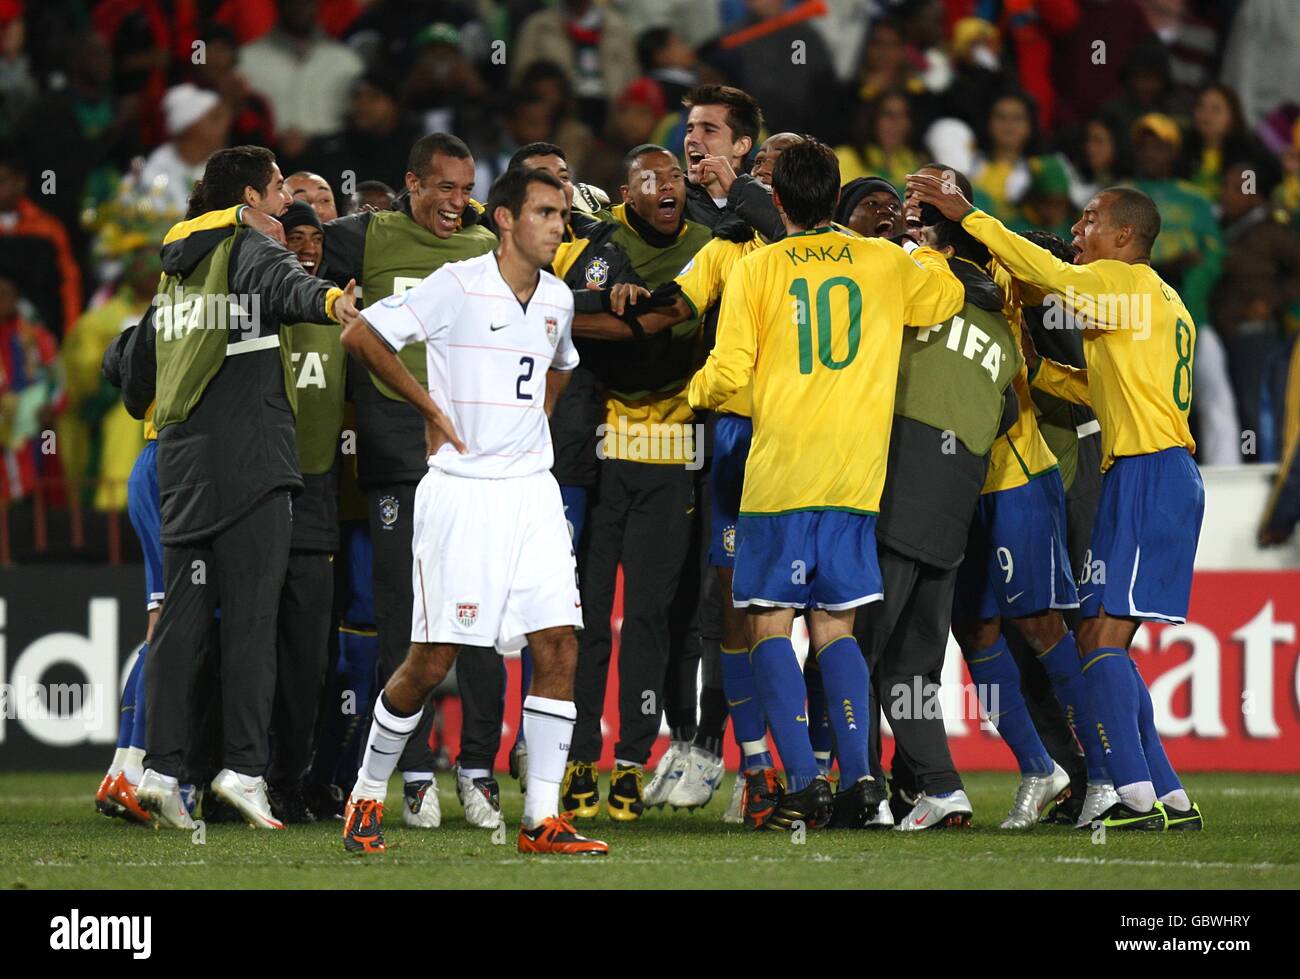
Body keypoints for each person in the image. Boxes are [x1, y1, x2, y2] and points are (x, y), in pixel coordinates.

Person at [909, 172, 1206, 831]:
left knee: (1099, 643)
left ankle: (1130, 796)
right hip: (1150, 473)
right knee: (1103, 642)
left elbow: (1053, 277)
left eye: (1091, 220)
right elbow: (1085, 382)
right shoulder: (1162, 301)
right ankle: (1171, 796)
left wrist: (972, 215)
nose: (1078, 230)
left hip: (1149, 473)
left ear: (1125, 236)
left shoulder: (1123, 283)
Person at [687, 138, 963, 830]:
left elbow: (725, 374)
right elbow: (948, 293)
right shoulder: (882, 262)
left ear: (776, 199)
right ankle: (862, 779)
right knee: (836, 626)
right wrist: (920, 245)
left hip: (780, 475)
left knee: (769, 623)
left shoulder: (758, 269)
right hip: (854, 478)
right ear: (835, 193)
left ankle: (804, 783)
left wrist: (691, 391)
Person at [337, 166, 608, 856]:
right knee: (430, 660)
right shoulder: (457, 283)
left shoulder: (557, 297)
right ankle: (367, 793)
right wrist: (429, 405)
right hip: (461, 493)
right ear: (507, 219)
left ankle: (540, 819)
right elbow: (362, 334)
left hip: (534, 492)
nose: (558, 226)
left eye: (564, 216)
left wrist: (535, 420)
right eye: (546, 213)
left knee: (560, 642)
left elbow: (560, 361)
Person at [132, 145, 357, 830]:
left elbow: (136, 369)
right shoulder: (247, 243)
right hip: (252, 463)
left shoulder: (175, 267)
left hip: (182, 463)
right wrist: (331, 299)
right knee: (256, 618)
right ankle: (243, 768)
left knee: (183, 622)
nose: (286, 206)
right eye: (279, 192)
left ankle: (162, 769)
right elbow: (288, 283)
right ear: (251, 200)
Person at [853, 173, 1021, 832]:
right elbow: (1005, 409)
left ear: (928, 233)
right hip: (958, 493)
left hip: (903, 473)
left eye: (910, 219)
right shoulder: (1001, 325)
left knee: (855, 645)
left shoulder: (907, 272)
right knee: (916, 660)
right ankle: (942, 788)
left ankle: (860, 791)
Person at [563, 144, 712, 821]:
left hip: (673, 452)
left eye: (673, 175)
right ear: (626, 191)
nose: (665, 185)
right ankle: (575, 759)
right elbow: (566, 307)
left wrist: (633, 315)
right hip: (603, 457)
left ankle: (629, 761)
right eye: (648, 177)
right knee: (588, 619)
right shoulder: (606, 244)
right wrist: (608, 298)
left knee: (649, 618)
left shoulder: (712, 246)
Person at [266, 200, 347, 822]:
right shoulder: (255, 313)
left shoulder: (346, 316)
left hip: (316, 496)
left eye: (313, 237)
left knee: (307, 656)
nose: (305, 247)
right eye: (291, 237)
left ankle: (291, 784)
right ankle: (223, 770)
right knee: (241, 644)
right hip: (255, 492)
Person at [680, 85, 783, 240]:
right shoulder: (672, 197)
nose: (692, 139)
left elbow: (796, 235)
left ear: (741, 146)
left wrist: (738, 189)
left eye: (709, 130)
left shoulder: (775, 194)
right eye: (690, 130)